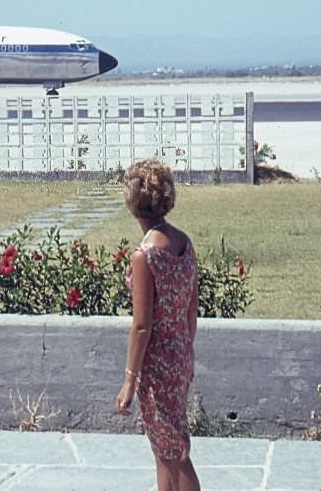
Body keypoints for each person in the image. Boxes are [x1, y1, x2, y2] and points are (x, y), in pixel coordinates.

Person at [115, 159, 201, 491]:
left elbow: (141, 325)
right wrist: (185, 352)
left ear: (133, 203)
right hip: (180, 354)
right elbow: (191, 310)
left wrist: (129, 381)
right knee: (163, 447)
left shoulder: (144, 256)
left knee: (174, 450)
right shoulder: (184, 243)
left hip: (156, 365)